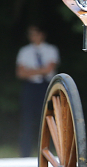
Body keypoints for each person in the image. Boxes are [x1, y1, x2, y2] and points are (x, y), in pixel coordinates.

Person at [16, 25, 59, 157]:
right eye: (30, 34)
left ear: (42, 34)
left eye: (35, 34)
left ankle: (51, 151)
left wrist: (31, 70)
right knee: (27, 120)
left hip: (46, 86)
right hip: (30, 87)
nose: (33, 37)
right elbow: (20, 73)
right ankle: (25, 154)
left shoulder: (51, 50)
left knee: (49, 118)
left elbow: (49, 69)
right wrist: (40, 71)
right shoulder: (24, 51)